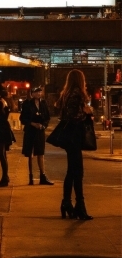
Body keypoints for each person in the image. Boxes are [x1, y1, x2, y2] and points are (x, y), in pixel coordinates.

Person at [55, 69, 94, 220]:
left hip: (69, 137)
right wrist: (86, 112)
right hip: (75, 137)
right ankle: (79, 206)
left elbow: (65, 115)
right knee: (77, 171)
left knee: (72, 171)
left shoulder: (66, 93)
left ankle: (67, 203)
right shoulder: (76, 93)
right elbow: (74, 116)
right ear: (80, 80)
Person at [20, 86, 53, 185]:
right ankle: (31, 176)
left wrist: (43, 125)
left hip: (40, 131)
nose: (38, 94)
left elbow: (47, 117)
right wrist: (32, 123)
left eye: (40, 92)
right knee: (30, 153)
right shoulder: (27, 104)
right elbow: (22, 118)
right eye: (36, 92)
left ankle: (42, 176)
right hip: (30, 131)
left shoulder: (43, 103)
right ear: (32, 94)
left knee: (40, 152)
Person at [0, 84, 15, 187]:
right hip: (4, 128)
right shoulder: (5, 101)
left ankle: (5, 178)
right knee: (2, 154)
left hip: (1, 129)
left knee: (1, 154)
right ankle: (5, 177)